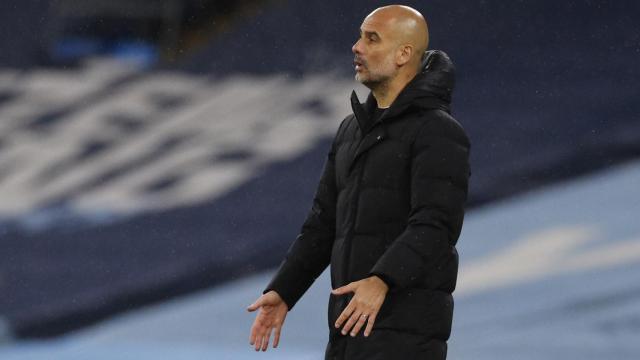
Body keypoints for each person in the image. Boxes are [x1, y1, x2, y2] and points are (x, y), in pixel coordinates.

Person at [247, 4, 470, 359]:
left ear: (403, 54)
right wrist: (285, 290)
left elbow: (436, 225)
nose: (356, 46)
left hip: (405, 336)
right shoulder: (351, 130)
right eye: (359, 36)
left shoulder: (437, 131)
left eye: (371, 38)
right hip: (349, 330)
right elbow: (323, 223)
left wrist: (382, 279)